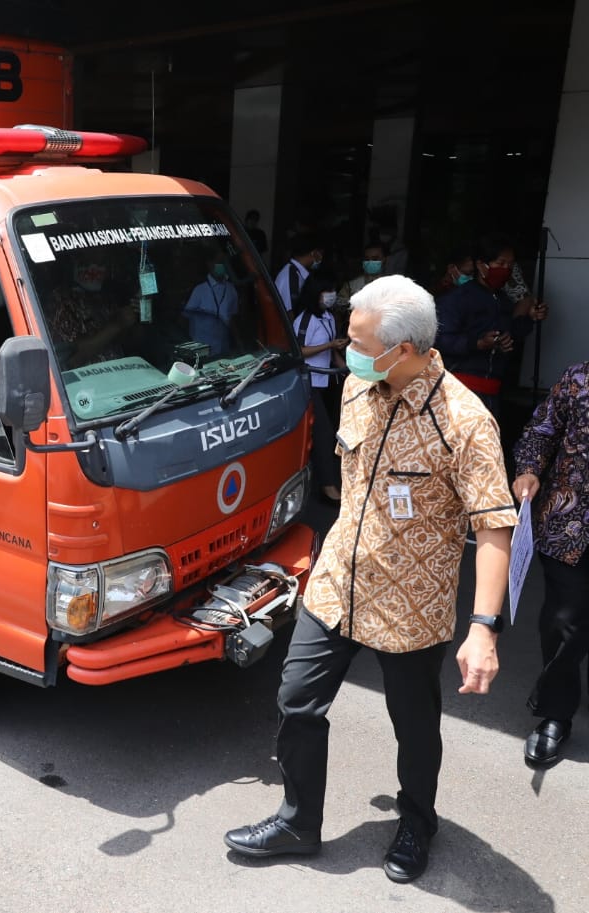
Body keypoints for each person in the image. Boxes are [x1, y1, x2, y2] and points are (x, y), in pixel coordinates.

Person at [224, 275, 515, 884]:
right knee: (297, 701)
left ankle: (417, 823)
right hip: (336, 586)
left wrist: (483, 628)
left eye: (357, 340)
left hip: (411, 606)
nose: (345, 351)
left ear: (403, 350)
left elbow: (493, 529)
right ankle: (298, 820)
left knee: (414, 727)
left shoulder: (465, 422)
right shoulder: (359, 385)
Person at [511, 360, 589, 766]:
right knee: (563, 620)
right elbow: (541, 431)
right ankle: (555, 714)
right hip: (568, 523)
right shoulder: (578, 379)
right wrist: (528, 470)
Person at [435, 235, 548, 414]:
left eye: (510, 265)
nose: (506, 269)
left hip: (491, 393)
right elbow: (440, 340)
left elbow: (513, 334)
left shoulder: (503, 301)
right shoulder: (456, 299)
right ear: (481, 265)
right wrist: (478, 343)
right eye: (500, 263)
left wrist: (530, 318)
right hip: (458, 391)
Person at [292, 270, 347, 503]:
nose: (332, 295)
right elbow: (298, 351)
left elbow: (333, 350)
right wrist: (329, 345)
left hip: (327, 380)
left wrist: (344, 368)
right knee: (323, 434)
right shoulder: (305, 319)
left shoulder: (328, 317)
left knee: (331, 431)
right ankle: (327, 486)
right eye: (328, 291)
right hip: (307, 382)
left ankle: (327, 478)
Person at [48, 254, 138, 368]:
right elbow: (72, 359)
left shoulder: (107, 296)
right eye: (86, 262)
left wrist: (137, 317)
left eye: (102, 263)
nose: (94, 269)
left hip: (122, 375)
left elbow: (129, 343)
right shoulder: (60, 302)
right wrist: (116, 325)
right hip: (86, 381)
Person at [182, 254, 238, 358]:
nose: (220, 266)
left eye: (222, 263)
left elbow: (233, 317)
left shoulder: (231, 289)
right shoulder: (199, 289)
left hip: (223, 348)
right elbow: (185, 317)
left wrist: (239, 344)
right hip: (202, 349)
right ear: (209, 264)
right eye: (217, 263)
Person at [274, 235, 322, 314]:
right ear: (313, 253)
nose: (320, 258)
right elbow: (290, 313)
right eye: (319, 253)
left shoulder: (298, 273)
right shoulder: (291, 276)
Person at [337, 239, 386, 307]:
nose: (370, 262)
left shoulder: (394, 286)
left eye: (375, 259)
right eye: (367, 259)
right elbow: (339, 306)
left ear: (384, 259)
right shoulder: (350, 286)